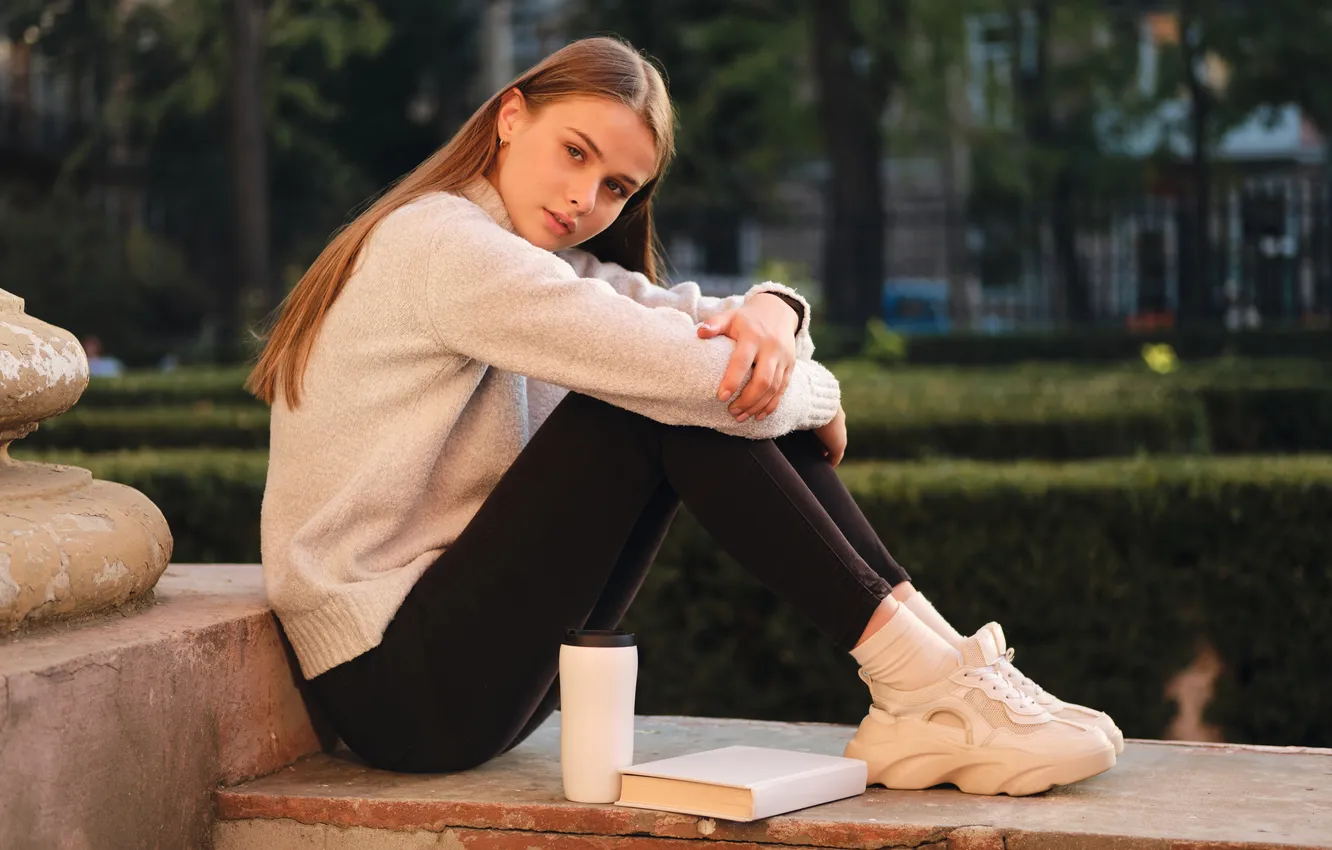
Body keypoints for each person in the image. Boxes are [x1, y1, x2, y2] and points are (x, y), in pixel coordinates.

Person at [246, 37, 1122, 797]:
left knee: (686, 380)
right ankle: (920, 683)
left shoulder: (539, 256)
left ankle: (941, 669)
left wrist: (779, 312)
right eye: (574, 151)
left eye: (618, 186)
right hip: (397, 687)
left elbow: (708, 322)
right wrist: (821, 395)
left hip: (473, 671)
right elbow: (697, 380)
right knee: (654, 403)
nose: (586, 197)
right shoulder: (443, 245)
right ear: (510, 117)